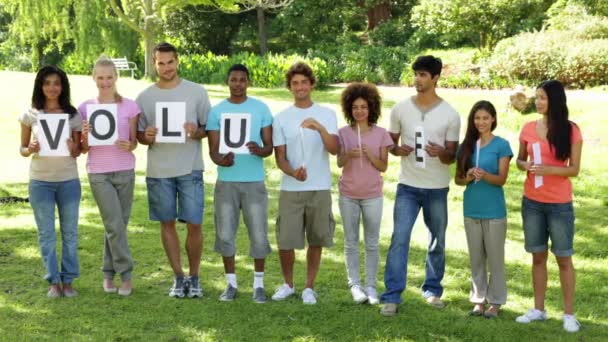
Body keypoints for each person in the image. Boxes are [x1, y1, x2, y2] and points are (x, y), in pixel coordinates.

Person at [380, 55, 461, 316]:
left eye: (423, 75)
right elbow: (389, 143)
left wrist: (442, 153)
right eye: (415, 74)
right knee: (399, 238)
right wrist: (396, 149)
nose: (417, 79)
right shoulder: (400, 109)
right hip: (408, 186)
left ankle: (433, 291)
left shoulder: (450, 114)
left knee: (437, 240)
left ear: (436, 78)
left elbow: (452, 155)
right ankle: (392, 296)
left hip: (437, 187)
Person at [136, 42, 211, 298]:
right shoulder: (145, 97)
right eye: (161, 63)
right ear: (154, 63)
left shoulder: (197, 92)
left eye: (170, 62)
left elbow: (207, 129)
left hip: (190, 168)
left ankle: (195, 276)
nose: (166, 67)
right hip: (159, 171)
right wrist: (147, 136)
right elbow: (140, 136)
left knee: (195, 224)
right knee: (166, 224)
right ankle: (179, 277)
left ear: (177, 61)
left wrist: (195, 131)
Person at [514, 80, 583, 333]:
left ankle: (568, 314)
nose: (538, 102)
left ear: (555, 100)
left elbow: (574, 169)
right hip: (532, 202)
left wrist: (548, 169)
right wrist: (526, 166)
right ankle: (538, 309)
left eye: (542, 97)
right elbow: (521, 160)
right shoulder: (528, 128)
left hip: (559, 204)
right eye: (537, 97)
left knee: (564, 259)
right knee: (538, 257)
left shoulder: (571, 130)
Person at [271, 62, 339, 304]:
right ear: (290, 87)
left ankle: (309, 287)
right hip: (291, 188)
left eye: (303, 82)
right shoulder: (281, 118)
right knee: (286, 240)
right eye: (295, 83)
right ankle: (288, 284)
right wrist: (292, 173)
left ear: (311, 84)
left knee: (317, 238)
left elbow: (334, 149)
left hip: (319, 187)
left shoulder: (327, 114)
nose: (299, 87)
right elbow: (280, 158)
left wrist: (319, 128)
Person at [206, 64, 273, 303]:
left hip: (254, 181)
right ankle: (231, 284)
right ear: (227, 81)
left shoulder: (261, 108)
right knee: (225, 234)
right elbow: (213, 151)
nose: (238, 84)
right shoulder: (217, 112)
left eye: (242, 79)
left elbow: (269, 147)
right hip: (227, 182)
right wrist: (221, 160)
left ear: (248, 82)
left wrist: (260, 150)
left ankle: (258, 285)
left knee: (259, 234)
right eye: (233, 79)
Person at [18, 65, 82, 298]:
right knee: (46, 233)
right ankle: (53, 281)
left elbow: (78, 152)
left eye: (56, 83)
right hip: (40, 181)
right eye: (47, 83)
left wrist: (74, 147)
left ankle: (68, 281)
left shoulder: (73, 115)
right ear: (40, 86)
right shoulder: (30, 114)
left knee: (70, 233)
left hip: (68, 180)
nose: (52, 88)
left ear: (63, 86)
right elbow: (23, 149)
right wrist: (30, 148)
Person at [79, 56, 140, 296]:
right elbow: (83, 149)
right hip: (98, 173)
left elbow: (135, 142)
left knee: (117, 225)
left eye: (109, 77)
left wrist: (130, 145)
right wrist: (84, 134)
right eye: (100, 77)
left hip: (125, 170)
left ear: (116, 78)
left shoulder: (130, 107)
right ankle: (126, 275)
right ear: (94, 78)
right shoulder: (85, 108)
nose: (105, 82)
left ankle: (107, 273)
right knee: (114, 224)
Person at [454, 101, 512, 318]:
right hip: (472, 209)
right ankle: (479, 299)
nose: (481, 122)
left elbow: (502, 179)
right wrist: (468, 176)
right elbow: (458, 180)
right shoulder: (466, 146)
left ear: (493, 119)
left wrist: (484, 175)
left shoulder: (502, 145)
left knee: (495, 259)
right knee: (476, 258)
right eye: (477, 118)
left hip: (494, 210)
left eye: (485, 118)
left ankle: (495, 302)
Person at [337, 83, 392, 305]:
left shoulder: (381, 134)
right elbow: (339, 161)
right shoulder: (343, 133)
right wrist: (349, 154)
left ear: (372, 108)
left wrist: (370, 155)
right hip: (348, 194)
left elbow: (383, 167)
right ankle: (355, 285)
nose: (359, 111)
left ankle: (370, 285)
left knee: (371, 242)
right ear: (349, 109)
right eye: (355, 107)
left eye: (364, 107)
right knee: (351, 242)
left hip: (372, 196)